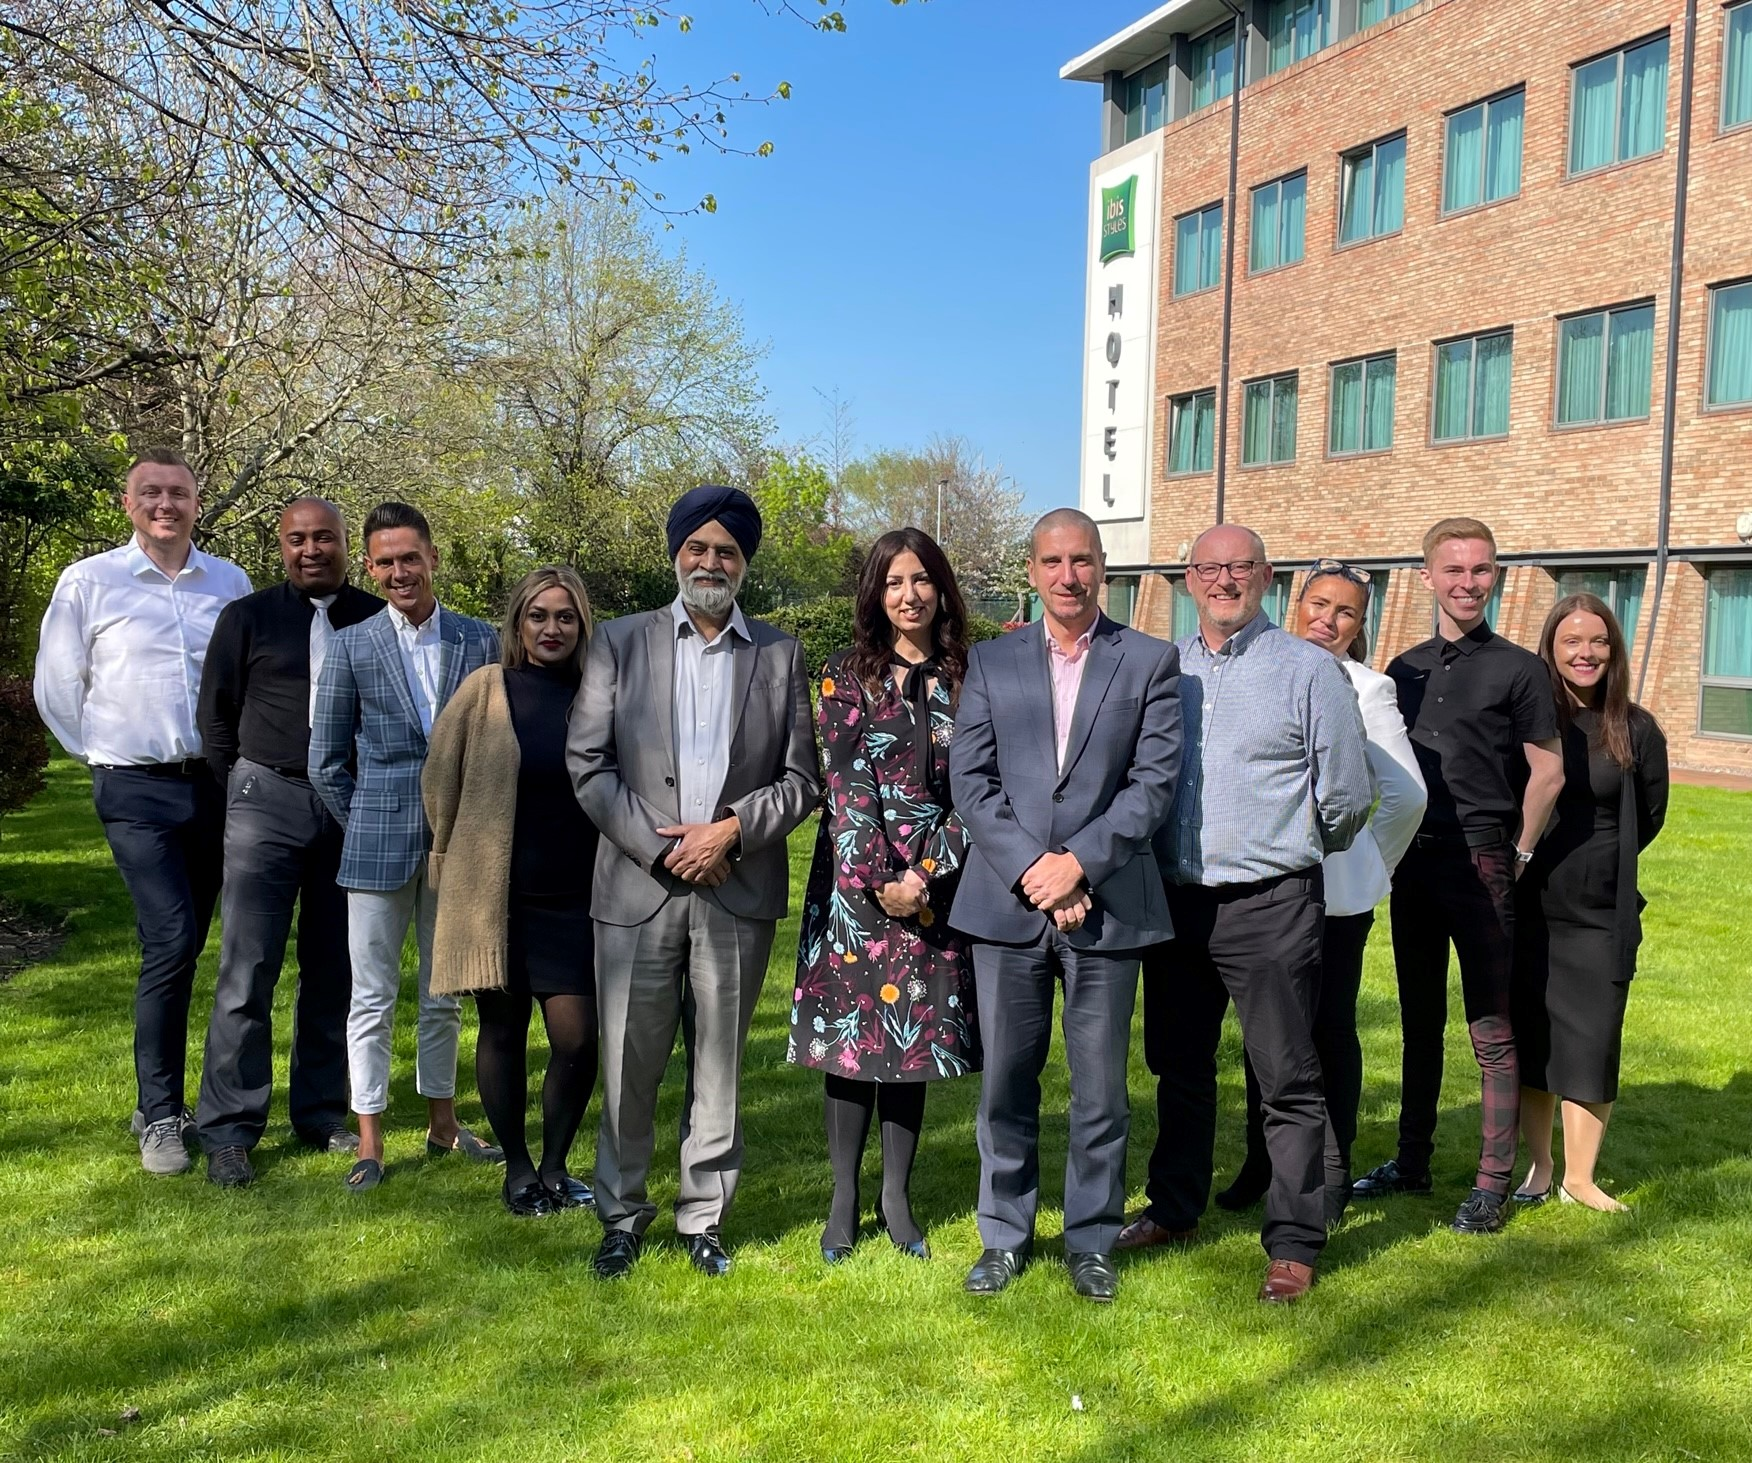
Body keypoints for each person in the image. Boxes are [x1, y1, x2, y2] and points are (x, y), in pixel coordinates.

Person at [568, 485, 821, 1279]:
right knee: (628, 1062)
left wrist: (730, 832)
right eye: (698, 548)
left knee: (720, 1066)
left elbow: (802, 779)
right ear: (676, 553)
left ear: (744, 564)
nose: (711, 562)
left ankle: (703, 1217)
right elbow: (588, 763)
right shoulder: (619, 642)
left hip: (735, 890)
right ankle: (621, 1214)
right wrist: (663, 847)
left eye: (727, 551)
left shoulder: (779, 654)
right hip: (637, 891)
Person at [1125, 526, 1371, 1304]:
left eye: (1240, 566)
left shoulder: (1309, 670)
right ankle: (1175, 1207)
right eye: (1210, 567)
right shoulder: (1162, 669)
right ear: (1188, 579)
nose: (1224, 579)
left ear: (1266, 576)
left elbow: (1348, 795)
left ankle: (1294, 1242)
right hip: (1177, 902)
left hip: (1271, 902)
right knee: (1179, 1067)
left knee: (1286, 1076)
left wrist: (1287, 847)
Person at [949, 508, 1182, 1305]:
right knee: (1006, 1083)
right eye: (1052, 561)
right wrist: (1036, 871)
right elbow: (972, 781)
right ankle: (1003, 1235)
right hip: (1006, 907)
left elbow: (1153, 785)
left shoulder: (1149, 661)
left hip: (1108, 904)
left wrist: (1077, 863)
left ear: (1102, 567)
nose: (1068, 575)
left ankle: (1090, 1239)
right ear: (1032, 569)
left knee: (1102, 1090)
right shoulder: (990, 660)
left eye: (1081, 560)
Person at [33, 447, 252, 1175]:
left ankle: (170, 1097)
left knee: (188, 943)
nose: (165, 505)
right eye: (151, 493)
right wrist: (100, 752)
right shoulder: (89, 581)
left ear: (196, 503)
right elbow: (57, 684)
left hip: (213, 786)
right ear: (128, 505)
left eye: (178, 493)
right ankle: (160, 1113)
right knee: (171, 937)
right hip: (133, 790)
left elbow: (246, 681)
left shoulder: (229, 583)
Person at [1353, 517, 1564, 1237]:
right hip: (1414, 861)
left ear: (1494, 575)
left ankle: (1491, 1183)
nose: (1468, 583)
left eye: (1480, 570)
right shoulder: (1402, 669)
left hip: (1483, 861)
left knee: (1491, 1027)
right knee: (1419, 1019)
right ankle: (1411, 1162)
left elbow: (1548, 772)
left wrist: (1520, 853)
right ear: (1428, 577)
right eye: (1454, 569)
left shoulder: (1520, 669)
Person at [1212, 559, 1426, 1225]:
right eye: (1319, 604)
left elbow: (1406, 796)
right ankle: (1263, 1161)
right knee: (1265, 1031)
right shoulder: (1262, 668)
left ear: (1360, 627)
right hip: (1264, 887)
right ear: (1295, 603)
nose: (1327, 621)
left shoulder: (1368, 688)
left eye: (1346, 613)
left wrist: (1363, 860)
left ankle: (1330, 1174)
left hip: (1333, 899)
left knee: (1325, 1033)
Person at [788, 528, 981, 1263]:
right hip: (855, 888)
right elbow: (846, 783)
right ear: (876, 593)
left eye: (921, 579)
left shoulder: (972, 675)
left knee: (911, 1042)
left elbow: (979, 787)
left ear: (941, 589)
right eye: (895, 581)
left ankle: (895, 1197)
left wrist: (926, 874)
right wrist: (880, 880)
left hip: (939, 883)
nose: (909, 595)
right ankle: (843, 1199)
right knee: (853, 1045)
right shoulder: (845, 673)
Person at [309, 501, 502, 1192]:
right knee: (372, 995)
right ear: (370, 567)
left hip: (458, 844)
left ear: (432, 558)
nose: (399, 572)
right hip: (375, 842)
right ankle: (369, 1135)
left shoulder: (479, 640)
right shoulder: (351, 645)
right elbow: (325, 761)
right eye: (386, 562)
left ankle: (443, 1121)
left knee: (445, 991)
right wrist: (367, 816)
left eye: (410, 558)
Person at [192, 498, 385, 1185]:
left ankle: (321, 1112)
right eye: (297, 539)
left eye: (324, 537)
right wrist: (247, 785)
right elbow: (215, 717)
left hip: (351, 808)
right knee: (248, 968)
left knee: (335, 967)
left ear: (345, 544)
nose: (311, 550)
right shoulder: (247, 618)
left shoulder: (376, 619)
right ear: (282, 546)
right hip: (265, 801)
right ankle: (229, 1129)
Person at [423, 566, 601, 1218]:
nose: (552, 628)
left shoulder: (599, 694)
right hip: (495, 898)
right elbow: (440, 776)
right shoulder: (487, 689)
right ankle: (519, 1170)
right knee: (502, 1031)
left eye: (565, 617)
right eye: (538, 616)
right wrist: (448, 858)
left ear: (581, 625)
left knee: (578, 1038)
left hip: (578, 897)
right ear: (518, 623)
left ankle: (556, 1165)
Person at [1511, 592, 1668, 1213]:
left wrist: (1603, 863)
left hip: (1603, 912)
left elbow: (1651, 813)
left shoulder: (1636, 727)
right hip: (1532, 906)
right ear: (1550, 649)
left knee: (1595, 1038)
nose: (1586, 652)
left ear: (1613, 650)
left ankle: (1581, 1178)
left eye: (1598, 641)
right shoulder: (1531, 720)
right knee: (1536, 1037)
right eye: (1571, 641)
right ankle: (1540, 1165)